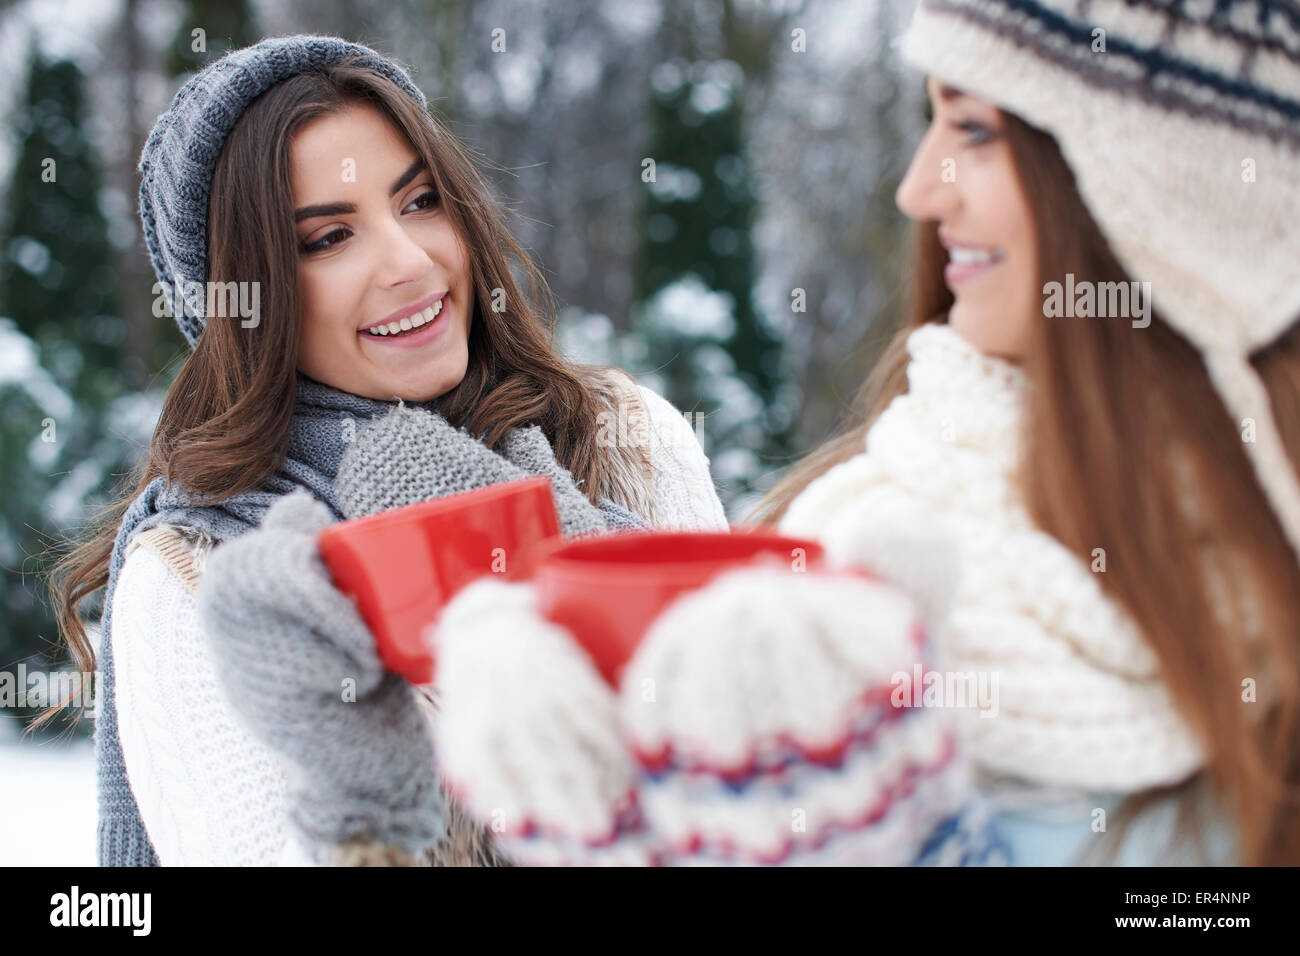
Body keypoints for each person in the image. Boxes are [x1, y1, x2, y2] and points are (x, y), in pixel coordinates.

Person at [422, 0, 1300, 865]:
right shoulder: (834, 536)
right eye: (932, 120)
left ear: (1178, 183)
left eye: (977, 129)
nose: (918, 189)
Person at [41, 35, 728, 867]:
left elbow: (762, 765)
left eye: (421, 201)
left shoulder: (624, 439)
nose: (410, 263)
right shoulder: (197, 574)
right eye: (329, 238)